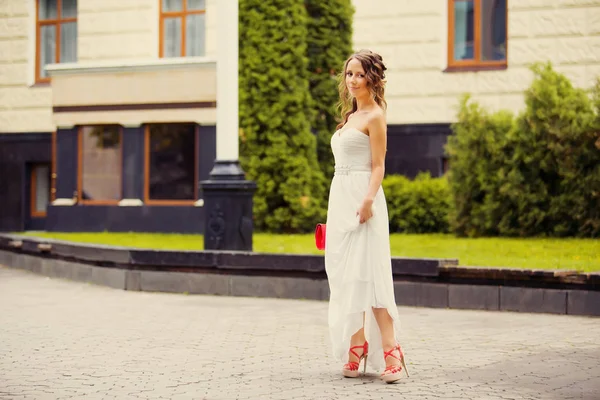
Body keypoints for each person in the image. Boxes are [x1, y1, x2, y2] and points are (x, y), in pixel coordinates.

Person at [324, 49, 409, 384]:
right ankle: (357, 345)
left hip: (364, 201)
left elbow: (378, 166)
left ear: (373, 78)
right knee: (346, 277)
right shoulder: (348, 119)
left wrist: (368, 200)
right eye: (349, 74)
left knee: (370, 276)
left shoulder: (375, 116)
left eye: (360, 74)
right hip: (340, 198)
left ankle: (392, 352)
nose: (353, 80)